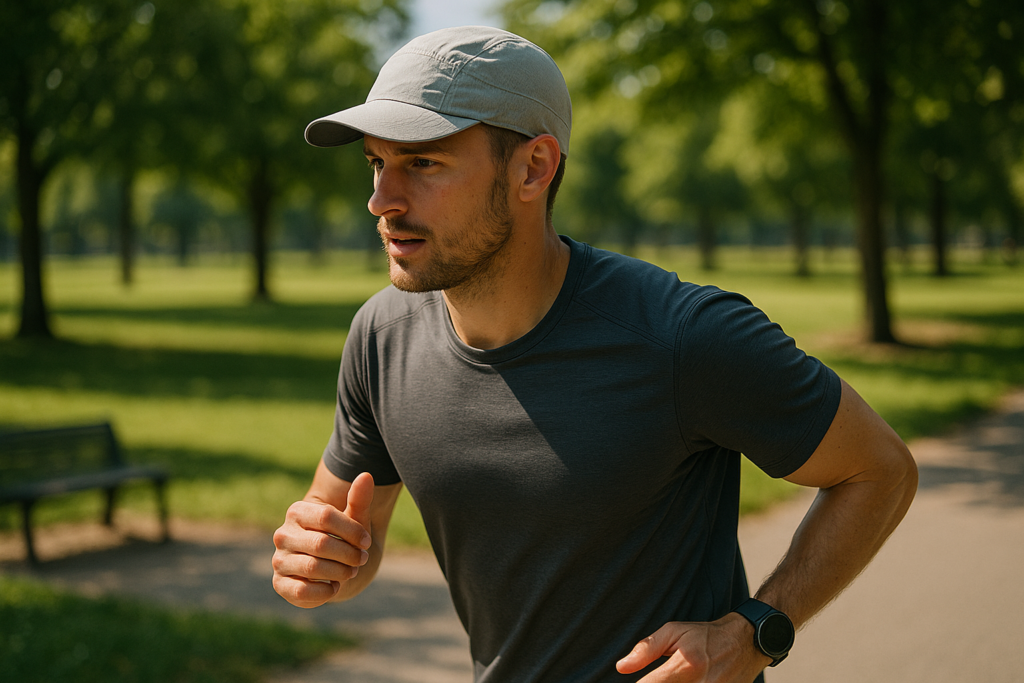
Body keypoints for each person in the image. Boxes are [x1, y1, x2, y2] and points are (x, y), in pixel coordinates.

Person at [272, 26, 917, 683]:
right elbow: (349, 542)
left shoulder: (682, 336)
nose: (381, 200)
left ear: (533, 168)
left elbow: (880, 471)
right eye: (377, 163)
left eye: (423, 164)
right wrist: (318, 562)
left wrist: (755, 631)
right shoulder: (381, 338)